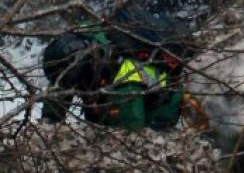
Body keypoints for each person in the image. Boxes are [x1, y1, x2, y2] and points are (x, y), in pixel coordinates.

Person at [39, 16, 188, 131]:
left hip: (163, 112)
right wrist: (49, 119)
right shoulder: (80, 51)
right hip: (127, 97)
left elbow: (130, 134)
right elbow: (60, 85)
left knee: (98, 118)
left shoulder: (127, 83)